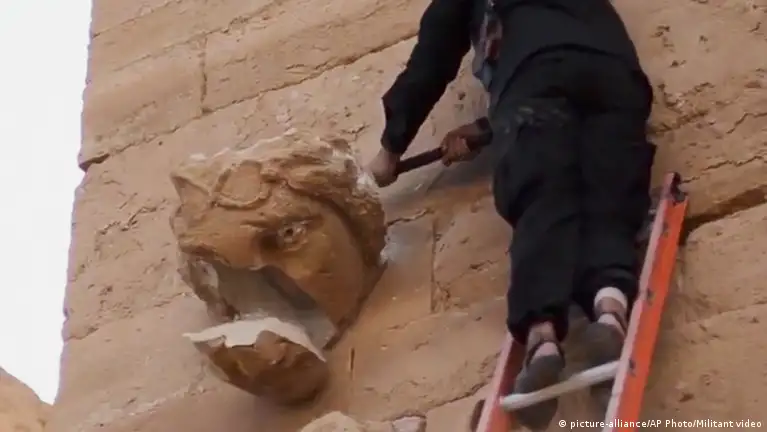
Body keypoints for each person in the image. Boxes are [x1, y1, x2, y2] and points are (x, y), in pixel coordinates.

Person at [366, 0, 656, 428]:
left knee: (541, 195)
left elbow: (432, 59)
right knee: (609, 191)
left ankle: (542, 338)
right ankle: (610, 309)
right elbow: (562, 54)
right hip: (614, 75)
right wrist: (487, 129)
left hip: (534, 79)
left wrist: (389, 151)